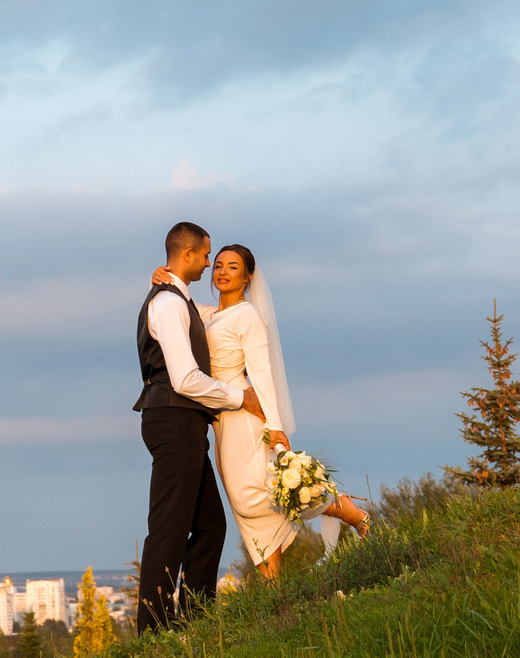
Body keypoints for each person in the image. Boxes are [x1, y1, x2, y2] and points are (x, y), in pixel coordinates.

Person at [153, 244, 369, 583]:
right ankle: (274, 589)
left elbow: (263, 373)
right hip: (220, 418)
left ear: (248, 276)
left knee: (250, 496)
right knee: (245, 501)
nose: (222, 271)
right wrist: (160, 278)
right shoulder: (207, 314)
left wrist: (276, 425)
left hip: (245, 415)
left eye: (233, 267)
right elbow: (176, 303)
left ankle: (342, 508)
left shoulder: (248, 316)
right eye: (219, 265)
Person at [131, 221, 266, 632]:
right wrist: (239, 396)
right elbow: (186, 378)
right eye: (207, 256)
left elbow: (217, 318)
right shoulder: (170, 303)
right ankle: (153, 631)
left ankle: (196, 619)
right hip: (172, 419)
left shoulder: (181, 300)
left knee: (210, 525)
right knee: (169, 528)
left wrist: (164, 275)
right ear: (187, 254)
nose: (210, 265)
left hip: (185, 423)